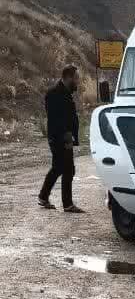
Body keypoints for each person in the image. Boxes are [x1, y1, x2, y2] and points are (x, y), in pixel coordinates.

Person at [38, 65, 84, 212]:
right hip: (60, 138)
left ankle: (43, 197)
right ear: (68, 77)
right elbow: (55, 119)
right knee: (68, 169)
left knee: (59, 168)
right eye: (76, 78)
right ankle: (67, 204)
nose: (77, 81)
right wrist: (66, 137)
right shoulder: (54, 93)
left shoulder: (65, 92)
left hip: (64, 137)